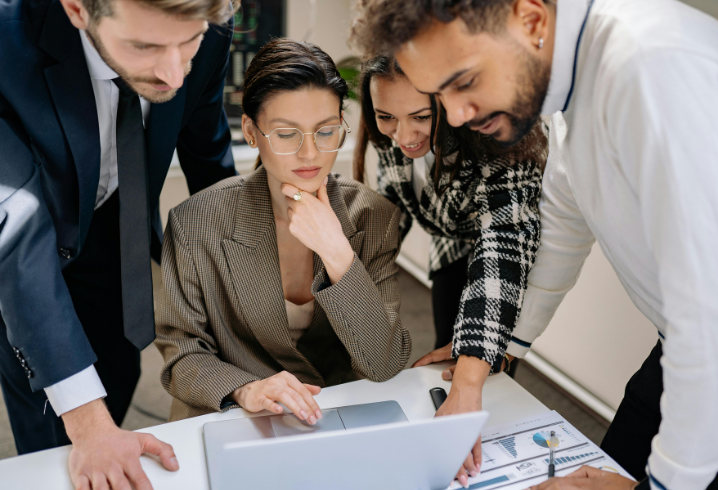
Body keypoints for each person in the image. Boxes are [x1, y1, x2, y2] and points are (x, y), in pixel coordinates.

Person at [349, 0, 718, 489]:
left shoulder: (649, 67)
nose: (458, 115)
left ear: (530, 19)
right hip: (681, 343)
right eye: (441, 93)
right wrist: (489, 353)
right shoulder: (576, 93)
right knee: (604, 466)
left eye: (464, 81)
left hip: (717, 345)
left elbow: (715, 312)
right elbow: (557, 238)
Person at [0, 0, 238, 486]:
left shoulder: (208, 27)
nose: (174, 74)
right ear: (76, 9)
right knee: (55, 424)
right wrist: (87, 423)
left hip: (115, 228)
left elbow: (209, 159)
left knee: (118, 371)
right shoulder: (5, 43)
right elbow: (17, 233)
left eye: (187, 43)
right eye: (145, 46)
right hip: (24, 247)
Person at [154, 38, 411, 422]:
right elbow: (181, 354)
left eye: (326, 131)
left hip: (330, 415)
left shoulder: (374, 216)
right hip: (232, 415)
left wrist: (337, 252)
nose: (310, 154)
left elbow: (384, 362)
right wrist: (245, 388)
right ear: (252, 132)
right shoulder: (195, 221)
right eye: (287, 134)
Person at [354, 55, 548, 362]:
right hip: (449, 243)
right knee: (445, 345)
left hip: (510, 246)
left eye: (420, 117)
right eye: (386, 116)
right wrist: (350, 272)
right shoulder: (388, 131)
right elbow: (393, 203)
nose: (403, 136)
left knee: (487, 356)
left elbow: (501, 242)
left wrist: (476, 358)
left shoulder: (497, 136)